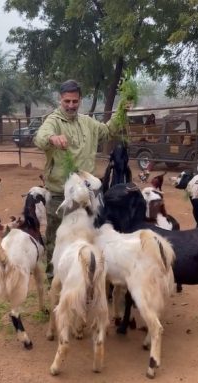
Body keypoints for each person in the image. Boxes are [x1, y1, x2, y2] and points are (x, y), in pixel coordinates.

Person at [34, 79, 123, 279]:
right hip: (60, 194)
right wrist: (52, 138)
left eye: (75, 101)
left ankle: (84, 276)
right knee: (56, 238)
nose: (71, 105)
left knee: (86, 235)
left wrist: (122, 113)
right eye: (67, 101)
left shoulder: (87, 122)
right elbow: (40, 137)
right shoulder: (53, 120)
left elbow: (107, 131)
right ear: (60, 99)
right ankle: (54, 281)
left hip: (87, 193)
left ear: (80, 100)